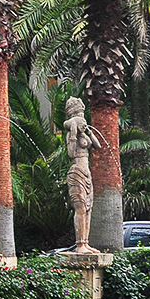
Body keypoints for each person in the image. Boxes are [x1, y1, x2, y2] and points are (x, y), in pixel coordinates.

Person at [64, 96, 105, 253]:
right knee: (80, 207)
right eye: (79, 116)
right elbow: (71, 153)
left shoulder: (85, 135)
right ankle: (80, 244)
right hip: (77, 172)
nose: (82, 118)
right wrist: (74, 131)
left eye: (82, 115)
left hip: (87, 172)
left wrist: (88, 131)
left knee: (88, 208)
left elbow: (98, 146)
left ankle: (86, 242)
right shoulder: (71, 134)